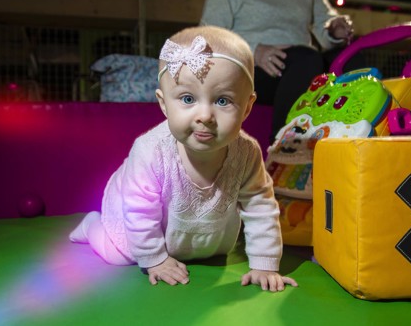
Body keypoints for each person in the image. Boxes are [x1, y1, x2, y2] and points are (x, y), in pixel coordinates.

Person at [69, 25, 298, 292]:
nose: (205, 115)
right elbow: (138, 209)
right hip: (139, 219)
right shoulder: (150, 151)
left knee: (217, 252)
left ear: (247, 107)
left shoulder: (247, 153)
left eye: (223, 101)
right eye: (188, 98)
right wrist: (155, 259)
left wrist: (264, 264)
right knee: (121, 255)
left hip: (203, 231)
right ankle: (92, 226)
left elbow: (260, 205)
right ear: (164, 104)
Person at [200, 0, 366, 142]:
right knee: (307, 60)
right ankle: (283, 146)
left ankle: (353, 137)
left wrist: (334, 30)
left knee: (351, 60)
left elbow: (324, 23)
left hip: (303, 64)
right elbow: (209, 37)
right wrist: (253, 51)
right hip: (251, 69)